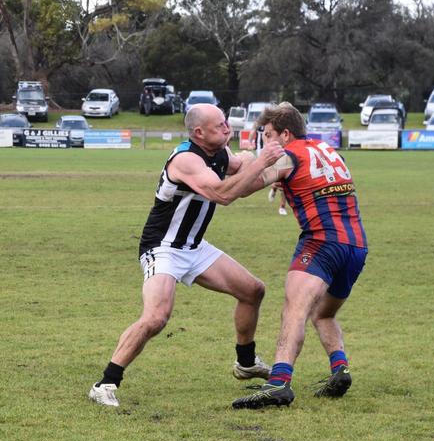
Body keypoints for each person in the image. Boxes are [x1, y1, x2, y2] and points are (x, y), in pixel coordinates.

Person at [88, 103, 285, 407]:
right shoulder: (186, 160)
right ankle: (105, 383)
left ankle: (246, 363)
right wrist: (261, 162)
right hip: (163, 247)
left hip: (193, 246)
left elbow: (240, 175)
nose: (227, 128)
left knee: (252, 290)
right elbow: (223, 194)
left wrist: (280, 166)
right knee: (156, 317)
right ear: (199, 132)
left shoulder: (219, 153)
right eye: (220, 125)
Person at [231, 102, 367, 409]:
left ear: (286, 134)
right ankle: (339, 369)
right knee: (324, 313)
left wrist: (249, 163)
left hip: (321, 241)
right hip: (356, 245)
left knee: (294, 309)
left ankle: (278, 384)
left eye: (267, 135)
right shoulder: (327, 150)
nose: (265, 142)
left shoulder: (288, 156)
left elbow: (245, 188)